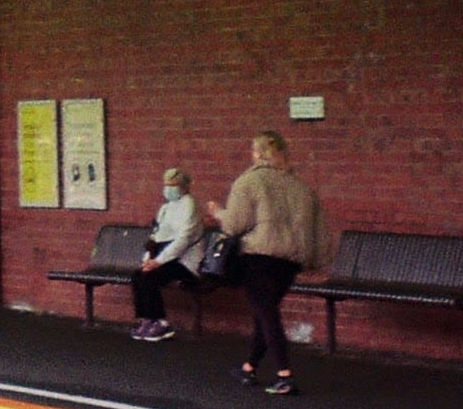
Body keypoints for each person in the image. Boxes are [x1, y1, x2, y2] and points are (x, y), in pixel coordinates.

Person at [211, 130, 326, 394]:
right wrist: (314, 260)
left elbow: (235, 224)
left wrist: (218, 212)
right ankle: (248, 368)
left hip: (258, 258)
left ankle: (284, 374)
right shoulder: (301, 188)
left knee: (267, 314)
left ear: (256, 153)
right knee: (265, 313)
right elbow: (316, 229)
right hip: (288, 262)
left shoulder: (250, 181)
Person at [130, 167, 204, 340]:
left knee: (150, 277)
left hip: (185, 262)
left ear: (184, 187)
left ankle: (161, 323)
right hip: (166, 259)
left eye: (173, 185)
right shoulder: (167, 208)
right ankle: (147, 319)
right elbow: (157, 236)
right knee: (138, 276)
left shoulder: (189, 206)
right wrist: (148, 259)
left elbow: (183, 240)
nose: (168, 189)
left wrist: (158, 262)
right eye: (166, 185)